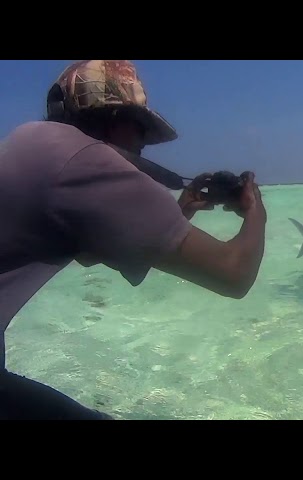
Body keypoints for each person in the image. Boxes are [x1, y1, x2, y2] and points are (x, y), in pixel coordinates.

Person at [0, 60, 267, 420]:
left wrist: (179, 212)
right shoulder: (85, 159)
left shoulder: (31, 140)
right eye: (140, 129)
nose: (143, 147)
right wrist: (255, 210)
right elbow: (234, 275)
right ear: (115, 121)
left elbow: (90, 252)